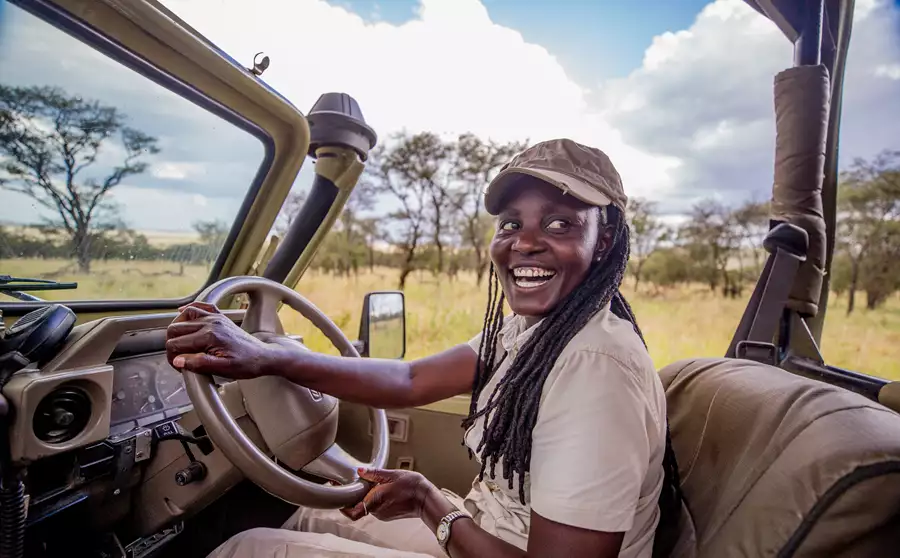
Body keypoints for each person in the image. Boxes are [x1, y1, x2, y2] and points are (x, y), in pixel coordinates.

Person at [165, 139, 684, 558]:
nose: (524, 242)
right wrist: (269, 356)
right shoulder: (538, 331)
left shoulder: (595, 370)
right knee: (306, 517)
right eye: (511, 224)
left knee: (247, 548)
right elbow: (411, 380)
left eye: (559, 224)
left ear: (605, 241)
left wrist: (428, 501)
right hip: (491, 530)